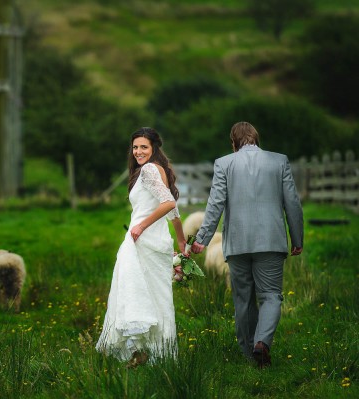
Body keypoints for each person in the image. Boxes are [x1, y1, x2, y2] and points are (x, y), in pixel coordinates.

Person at [191, 121, 304, 368]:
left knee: (243, 299)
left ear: (233, 142)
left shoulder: (223, 163)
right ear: (256, 139)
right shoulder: (279, 161)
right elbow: (292, 203)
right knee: (271, 296)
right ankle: (262, 343)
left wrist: (201, 240)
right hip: (271, 242)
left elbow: (215, 204)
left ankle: (248, 354)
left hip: (237, 244)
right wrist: (297, 239)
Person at [96, 127, 186, 368]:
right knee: (156, 296)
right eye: (135, 147)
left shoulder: (148, 170)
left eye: (143, 147)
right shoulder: (160, 170)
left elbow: (168, 203)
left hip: (142, 241)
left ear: (154, 148)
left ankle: (140, 349)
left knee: (134, 290)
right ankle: (156, 354)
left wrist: (141, 226)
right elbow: (173, 209)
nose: (138, 151)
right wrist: (181, 241)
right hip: (156, 242)